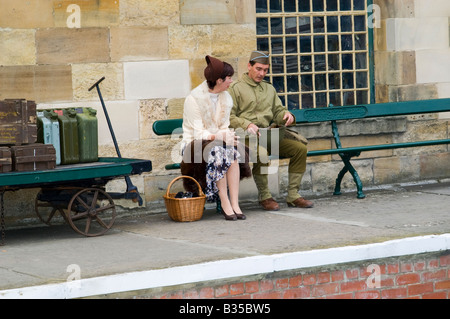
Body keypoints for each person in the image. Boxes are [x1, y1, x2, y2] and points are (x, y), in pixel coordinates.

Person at [228, 50, 313, 211]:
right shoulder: (235, 89)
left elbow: (278, 110)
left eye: (265, 70)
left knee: (299, 149)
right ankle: (265, 196)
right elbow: (228, 116)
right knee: (262, 153)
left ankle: (293, 195)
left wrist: (287, 116)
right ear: (249, 66)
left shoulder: (269, 89)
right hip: (245, 137)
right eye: (259, 69)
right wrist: (246, 124)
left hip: (269, 135)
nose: (262, 73)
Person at [180, 56, 251, 221]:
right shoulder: (193, 99)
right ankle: (225, 202)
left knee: (232, 152)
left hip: (217, 142)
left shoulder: (226, 98)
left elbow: (224, 125)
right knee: (219, 152)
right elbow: (197, 133)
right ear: (219, 80)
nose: (231, 81)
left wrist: (228, 136)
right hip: (194, 145)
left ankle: (235, 203)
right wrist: (218, 136)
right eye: (229, 78)